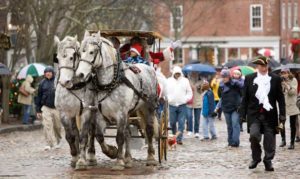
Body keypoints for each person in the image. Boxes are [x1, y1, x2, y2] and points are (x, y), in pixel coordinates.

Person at [239, 56, 285, 172]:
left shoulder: (275, 79)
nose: (264, 69)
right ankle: (256, 158)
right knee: (254, 136)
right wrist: (242, 114)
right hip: (254, 114)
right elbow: (245, 98)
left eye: (265, 66)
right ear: (257, 67)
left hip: (270, 114)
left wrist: (282, 115)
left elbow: (280, 98)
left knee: (270, 140)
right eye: (261, 66)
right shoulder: (250, 78)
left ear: (268, 66)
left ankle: (268, 160)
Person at [35, 66, 62, 150]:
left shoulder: (58, 82)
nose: (48, 73)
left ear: (52, 73)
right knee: (47, 126)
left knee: (57, 126)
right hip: (46, 107)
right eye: (46, 72)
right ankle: (49, 143)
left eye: (49, 72)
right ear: (44, 74)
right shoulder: (42, 83)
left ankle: (58, 141)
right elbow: (38, 97)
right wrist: (38, 110)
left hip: (57, 107)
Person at [217, 69, 243, 147]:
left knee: (235, 124)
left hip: (236, 108)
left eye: (225, 77)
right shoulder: (221, 85)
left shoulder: (235, 83)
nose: (224, 78)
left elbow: (243, 87)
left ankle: (235, 142)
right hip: (226, 108)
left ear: (229, 77)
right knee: (229, 126)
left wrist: (237, 82)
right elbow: (219, 95)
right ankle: (230, 141)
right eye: (222, 77)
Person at [166, 66, 192, 145]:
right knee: (172, 122)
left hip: (182, 105)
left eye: (178, 73)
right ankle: (175, 135)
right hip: (172, 105)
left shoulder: (185, 81)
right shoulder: (168, 81)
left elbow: (189, 92)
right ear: (173, 73)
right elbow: (165, 92)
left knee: (181, 123)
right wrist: (168, 99)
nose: (177, 75)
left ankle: (179, 139)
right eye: (176, 73)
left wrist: (186, 99)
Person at [279, 68, 299, 149]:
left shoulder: (293, 80)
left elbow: (292, 92)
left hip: (292, 105)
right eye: (282, 73)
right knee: (280, 123)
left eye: (285, 73)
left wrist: (286, 85)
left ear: (288, 73)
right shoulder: (280, 81)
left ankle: (292, 142)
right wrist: (281, 84)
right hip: (283, 105)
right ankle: (283, 140)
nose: (283, 74)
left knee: (292, 125)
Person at [186, 72, 203, 138]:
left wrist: (199, 89)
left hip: (198, 101)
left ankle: (196, 132)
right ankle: (190, 130)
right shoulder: (188, 80)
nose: (194, 73)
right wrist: (190, 88)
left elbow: (203, 91)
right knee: (189, 116)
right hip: (189, 101)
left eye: (196, 72)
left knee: (197, 118)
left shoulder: (201, 81)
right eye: (193, 72)